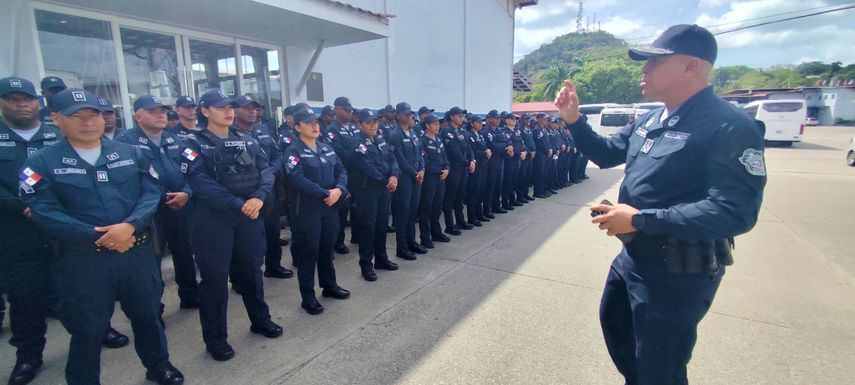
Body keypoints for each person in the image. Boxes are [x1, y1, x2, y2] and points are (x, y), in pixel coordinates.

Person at [554, 24, 767, 385]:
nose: (644, 69)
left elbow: (734, 211)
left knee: (660, 369)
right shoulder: (652, 119)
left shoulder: (729, 125)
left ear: (691, 67)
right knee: (622, 338)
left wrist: (640, 219)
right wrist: (574, 121)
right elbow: (606, 154)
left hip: (677, 272)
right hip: (634, 258)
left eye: (655, 62)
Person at [20, 88, 183, 385]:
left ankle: (158, 366)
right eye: (76, 116)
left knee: (147, 316)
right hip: (85, 260)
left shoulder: (131, 153)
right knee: (88, 328)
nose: (87, 122)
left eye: (93, 115)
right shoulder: (41, 162)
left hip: (135, 252)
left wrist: (130, 226)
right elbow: (42, 209)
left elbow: (151, 192)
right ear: (55, 118)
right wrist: (96, 235)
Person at [178, 89, 282, 361]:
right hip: (214, 220)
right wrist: (240, 204)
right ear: (205, 111)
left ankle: (260, 320)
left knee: (251, 271)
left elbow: (266, 171)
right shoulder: (193, 143)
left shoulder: (246, 139)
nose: (229, 111)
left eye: (230, 107)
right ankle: (216, 339)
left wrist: (258, 198)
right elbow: (200, 183)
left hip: (249, 215)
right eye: (221, 107)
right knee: (214, 281)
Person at [115, 95, 199, 310]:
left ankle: (190, 296)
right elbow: (131, 181)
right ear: (137, 115)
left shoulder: (176, 140)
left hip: (181, 207)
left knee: (185, 253)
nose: (160, 115)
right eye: (153, 111)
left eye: (162, 110)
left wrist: (187, 193)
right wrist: (165, 197)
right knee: (152, 261)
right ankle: (154, 307)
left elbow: (192, 171)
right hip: (150, 214)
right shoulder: (124, 144)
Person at [0, 76, 58, 385]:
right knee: (25, 297)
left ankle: (100, 330)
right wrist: (20, 206)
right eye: (12, 98)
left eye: (27, 98)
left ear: (38, 102)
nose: (21, 103)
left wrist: (49, 209)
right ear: (2, 103)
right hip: (16, 229)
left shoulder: (57, 134)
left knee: (80, 288)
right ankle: (28, 356)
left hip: (60, 227)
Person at [282, 109, 350, 314]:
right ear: (297, 127)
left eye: (316, 122)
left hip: (329, 207)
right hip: (307, 211)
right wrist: (324, 193)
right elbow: (297, 179)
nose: (314, 125)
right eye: (308, 122)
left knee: (326, 249)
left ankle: (329, 286)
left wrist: (339, 190)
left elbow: (341, 171)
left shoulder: (326, 148)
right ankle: (308, 297)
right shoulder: (293, 152)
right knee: (308, 253)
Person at [233, 95, 293, 279]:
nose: (252, 111)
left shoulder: (263, 129)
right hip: (246, 195)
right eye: (247, 108)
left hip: (268, 190)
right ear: (235, 110)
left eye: (255, 108)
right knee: (244, 241)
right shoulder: (229, 135)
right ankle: (240, 278)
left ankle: (273, 266)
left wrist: (269, 172)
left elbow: (277, 155)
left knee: (273, 230)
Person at [349, 108, 400, 281]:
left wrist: (394, 175)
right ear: (360, 124)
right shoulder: (357, 143)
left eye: (375, 122)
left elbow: (392, 159)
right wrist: (386, 179)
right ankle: (366, 265)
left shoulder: (380, 139)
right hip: (367, 191)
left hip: (383, 189)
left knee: (381, 225)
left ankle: (381, 258)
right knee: (368, 228)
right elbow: (366, 166)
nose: (373, 126)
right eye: (369, 123)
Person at [386, 102, 425, 260]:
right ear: (398, 115)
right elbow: (398, 159)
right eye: (407, 114)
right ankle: (402, 247)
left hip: (416, 176)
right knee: (403, 213)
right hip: (404, 178)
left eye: (411, 114)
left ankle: (412, 242)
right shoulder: (395, 135)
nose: (410, 117)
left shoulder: (413, 132)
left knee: (412, 211)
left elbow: (420, 153)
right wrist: (414, 172)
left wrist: (422, 169)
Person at [326, 97, 359, 254]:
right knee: (341, 210)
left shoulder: (354, 128)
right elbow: (338, 153)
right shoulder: (332, 130)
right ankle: (338, 241)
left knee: (357, 206)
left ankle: (356, 235)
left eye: (351, 109)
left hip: (358, 173)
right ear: (337, 109)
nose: (350, 112)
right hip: (342, 174)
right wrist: (358, 155)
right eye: (346, 109)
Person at [417, 114, 450, 249]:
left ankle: (436, 233)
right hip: (430, 178)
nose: (437, 126)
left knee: (437, 206)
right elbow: (425, 162)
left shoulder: (439, 140)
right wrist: (438, 171)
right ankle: (425, 237)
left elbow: (445, 157)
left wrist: (447, 168)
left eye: (438, 124)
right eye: (434, 124)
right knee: (426, 207)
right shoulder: (422, 141)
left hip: (441, 177)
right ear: (427, 126)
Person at [440, 106, 474, 235]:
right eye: (459, 116)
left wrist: (472, 160)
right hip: (454, 168)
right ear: (452, 116)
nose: (462, 118)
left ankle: (460, 221)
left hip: (464, 168)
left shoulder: (462, 131)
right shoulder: (447, 132)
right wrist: (467, 162)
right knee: (450, 197)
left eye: (462, 116)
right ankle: (450, 225)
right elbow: (453, 151)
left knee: (460, 196)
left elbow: (469, 147)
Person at [463, 113, 490, 226]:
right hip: (475, 167)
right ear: (472, 123)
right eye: (477, 122)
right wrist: (484, 152)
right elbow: (472, 152)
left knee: (481, 190)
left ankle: (479, 214)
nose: (480, 124)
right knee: (474, 192)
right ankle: (472, 217)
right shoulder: (469, 135)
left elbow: (484, 147)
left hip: (483, 165)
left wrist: (487, 150)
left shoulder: (480, 135)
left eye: (481, 122)